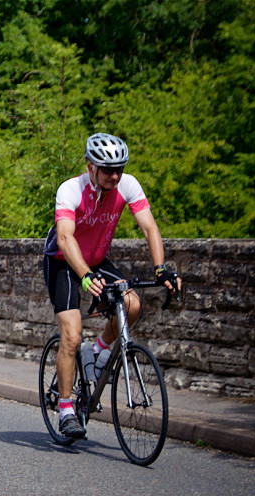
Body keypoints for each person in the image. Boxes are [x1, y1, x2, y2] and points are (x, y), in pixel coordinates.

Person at [43, 133, 181, 439]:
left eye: (119, 168)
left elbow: (149, 226)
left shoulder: (127, 185)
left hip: (98, 259)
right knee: (71, 334)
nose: (115, 175)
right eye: (108, 169)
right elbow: (65, 237)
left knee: (132, 305)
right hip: (63, 262)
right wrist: (85, 275)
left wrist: (161, 267)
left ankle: (100, 351)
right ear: (91, 167)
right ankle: (66, 409)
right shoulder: (71, 189)